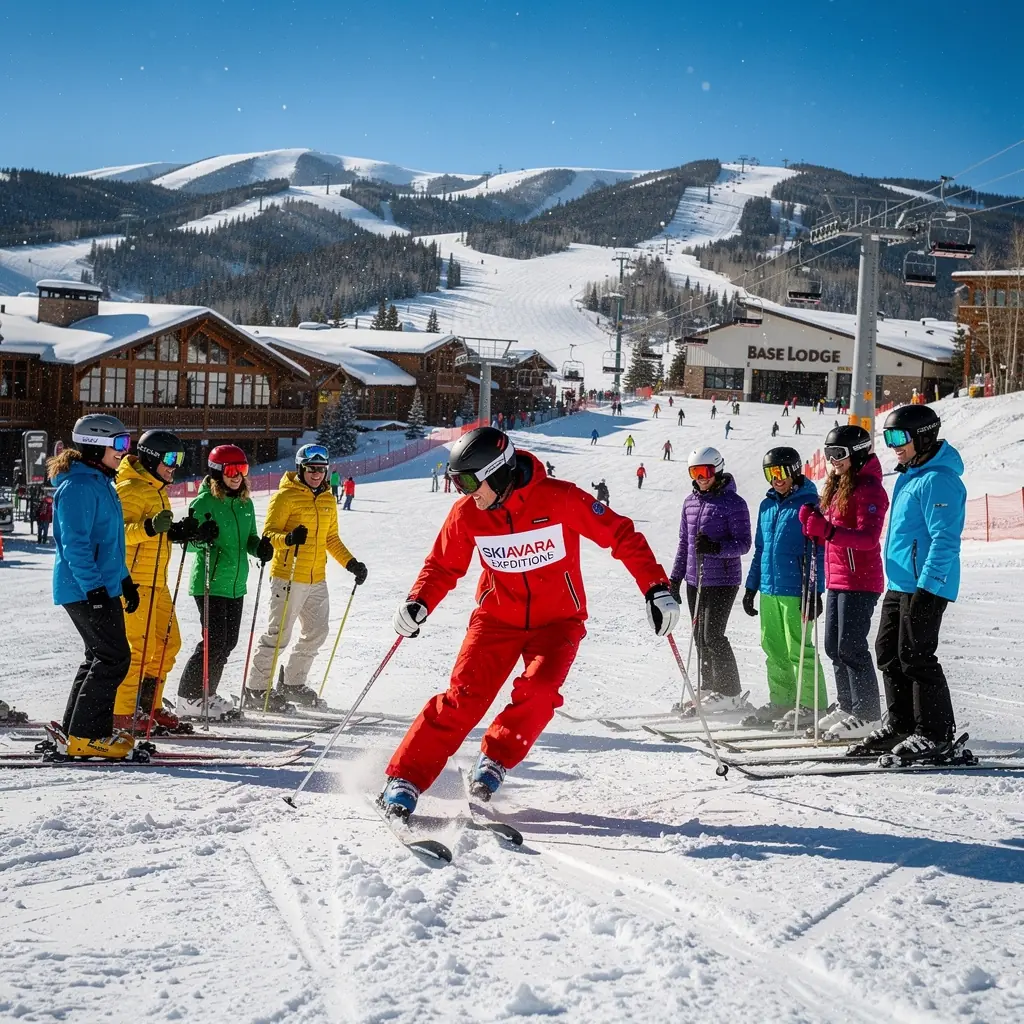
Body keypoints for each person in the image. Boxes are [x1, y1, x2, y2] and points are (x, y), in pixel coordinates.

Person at [378, 427, 680, 819]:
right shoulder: (468, 512)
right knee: (464, 698)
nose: (464, 492)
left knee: (539, 691)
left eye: (468, 482)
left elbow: (620, 534)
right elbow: (442, 565)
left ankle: (495, 757)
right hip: (495, 621)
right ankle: (405, 778)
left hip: (557, 623)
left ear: (497, 471)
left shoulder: (559, 498)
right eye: (456, 483)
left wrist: (655, 587)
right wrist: (418, 600)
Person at [849, 405, 966, 761]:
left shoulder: (939, 480)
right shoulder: (909, 476)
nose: (893, 445)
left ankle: (935, 733)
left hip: (927, 585)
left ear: (924, 436)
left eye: (900, 437)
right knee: (888, 652)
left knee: (916, 656)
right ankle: (902, 725)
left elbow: (945, 540)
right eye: (888, 437)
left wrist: (928, 588)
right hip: (901, 583)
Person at [245, 444, 368, 710]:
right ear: (301, 469)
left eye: (321, 469)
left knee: (317, 632)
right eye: (311, 469)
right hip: (288, 576)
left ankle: (292, 682)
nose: (316, 474)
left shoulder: (327, 499)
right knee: (279, 635)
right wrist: (289, 539)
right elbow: (268, 536)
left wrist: (351, 563)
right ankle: (256, 688)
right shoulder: (285, 497)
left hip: (316, 578)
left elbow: (331, 538)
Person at [47, 414, 138, 758]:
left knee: (100, 656)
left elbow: (109, 544)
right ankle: (88, 735)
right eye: (120, 444)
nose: (124, 451)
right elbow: (76, 545)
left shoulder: (100, 483)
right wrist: (95, 590)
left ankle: (75, 731)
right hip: (85, 588)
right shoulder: (80, 487)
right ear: (97, 445)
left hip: (99, 585)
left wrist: (124, 580)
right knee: (114, 658)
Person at [798, 426, 888, 739]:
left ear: (858, 453)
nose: (833, 461)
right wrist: (814, 525)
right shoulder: (838, 487)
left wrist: (828, 531)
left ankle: (867, 714)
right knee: (833, 647)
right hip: (837, 578)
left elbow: (867, 538)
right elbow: (831, 533)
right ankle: (848, 705)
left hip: (860, 580)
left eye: (838, 454)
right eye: (829, 454)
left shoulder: (869, 489)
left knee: (851, 647)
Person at [175, 445, 274, 720]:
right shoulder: (203, 503)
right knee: (213, 642)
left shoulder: (245, 504)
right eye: (232, 470)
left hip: (235, 584)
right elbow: (188, 545)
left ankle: (207, 694)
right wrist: (201, 535)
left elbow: (250, 539)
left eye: (242, 470)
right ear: (218, 472)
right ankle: (188, 697)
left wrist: (259, 548)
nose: (237, 476)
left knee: (228, 643)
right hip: (210, 583)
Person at [114, 430, 199, 734]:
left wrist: (176, 532)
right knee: (138, 648)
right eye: (171, 458)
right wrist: (149, 527)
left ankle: (149, 704)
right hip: (134, 582)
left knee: (168, 645)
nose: (175, 466)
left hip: (157, 581)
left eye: (180, 459)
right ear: (151, 458)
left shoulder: (156, 488)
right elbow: (116, 535)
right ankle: (122, 712)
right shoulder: (130, 489)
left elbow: (154, 533)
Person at [742, 447, 826, 728]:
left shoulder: (810, 504)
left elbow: (818, 552)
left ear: (794, 471)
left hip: (796, 590)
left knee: (800, 648)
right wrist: (751, 587)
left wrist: (815, 591)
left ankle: (813, 704)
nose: (775, 479)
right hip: (769, 589)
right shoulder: (766, 507)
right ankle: (783, 700)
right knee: (773, 647)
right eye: (770, 473)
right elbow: (760, 550)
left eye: (780, 472)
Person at [670, 447, 752, 712]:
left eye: (705, 472)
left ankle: (729, 692)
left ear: (718, 469)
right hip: (695, 580)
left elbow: (744, 544)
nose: (701, 478)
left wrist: (715, 548)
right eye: (695, 472)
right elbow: (684, 544)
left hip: (723, 580)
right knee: (699, 637)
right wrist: (675, 579)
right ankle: (709, 686)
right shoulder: (689, 503)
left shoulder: (734, 503)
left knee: (713, 635)